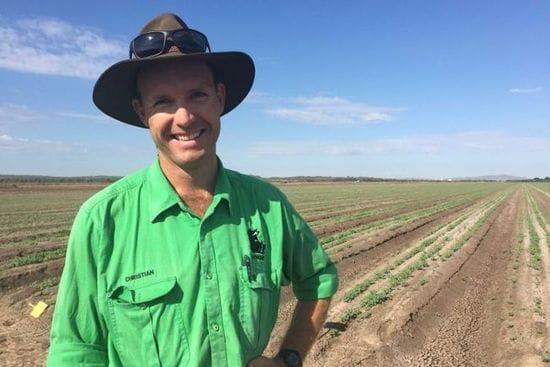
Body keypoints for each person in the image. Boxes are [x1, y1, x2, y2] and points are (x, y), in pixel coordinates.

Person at [47, 13, 338, 367]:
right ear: (142, 113)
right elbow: (76, 351)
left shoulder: (268, 206)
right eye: (163, 102)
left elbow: (319, 278)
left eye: (197, 95)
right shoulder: (102, 221)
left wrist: (289, 359)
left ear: (219, 98)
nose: (184, 117)